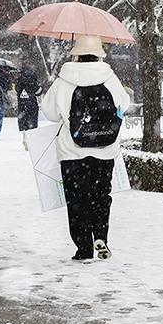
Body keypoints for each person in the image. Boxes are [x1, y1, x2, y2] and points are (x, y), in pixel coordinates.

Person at [42, 34, 131, 262]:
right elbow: (124, 104)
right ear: (99, 54)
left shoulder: (64, 80)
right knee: (101, 195)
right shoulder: (110, 78)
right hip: (105, 149)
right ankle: (100, 235)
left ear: (76, 54)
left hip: (72, 152)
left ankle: (83, 247)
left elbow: (50, 113)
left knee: (77, 199)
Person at [15, 64, 41, 150]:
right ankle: (31, 141)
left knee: (24, 124)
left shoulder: (19, 80)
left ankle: (25, 139)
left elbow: (17, 89)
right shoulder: (33, 80)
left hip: (22, 105)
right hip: (32, 104)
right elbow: (38, 92)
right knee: (32, 124)